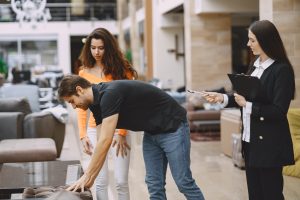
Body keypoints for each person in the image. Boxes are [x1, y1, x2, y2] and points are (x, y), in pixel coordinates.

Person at [58, 75, 205, 200]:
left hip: (173, 127)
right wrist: (89, 178)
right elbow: (101, 145)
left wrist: (87, 176)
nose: (73, 106)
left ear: (79, 90)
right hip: (151, 132)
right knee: (154, 184)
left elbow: (105, 140)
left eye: (72, 101)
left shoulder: (109, 94)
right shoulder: (95, 104)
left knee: (183, 182)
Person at [201, 20, 295, 200]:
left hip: (269, 144)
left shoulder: (281, 71)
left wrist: (248, 105)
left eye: (252, 40)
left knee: (271, 195)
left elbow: (278, 111)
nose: (248, 44)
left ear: (265, 41)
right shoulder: (254, 66)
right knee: (255, 195)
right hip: (250, 142)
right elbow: (243, 97)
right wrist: (223, 98)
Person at [76, 27, 137, 200]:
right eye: (93, 47)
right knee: (100, 180)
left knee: (120, 181)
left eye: (101, 48)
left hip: (120, 129)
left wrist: (122, 133)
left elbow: (129, 103)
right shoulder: (84, 73)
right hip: (95, 129)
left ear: (108, 47)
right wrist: (83, 135)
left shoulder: (121, 70)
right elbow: (82, 107)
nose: (96, 52)